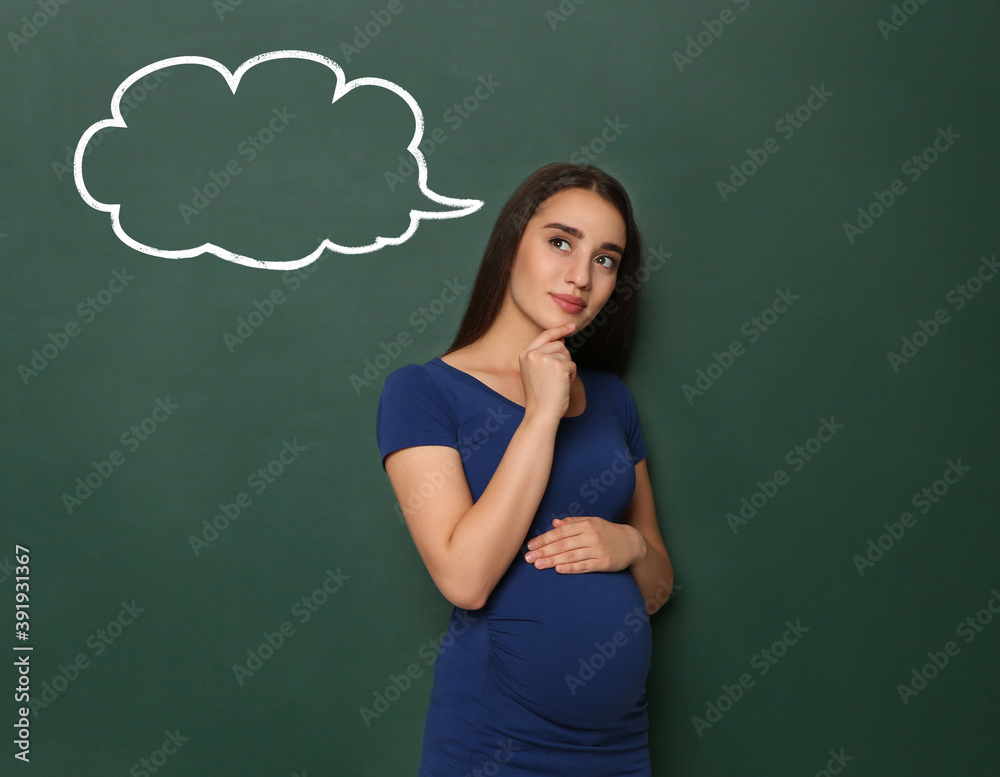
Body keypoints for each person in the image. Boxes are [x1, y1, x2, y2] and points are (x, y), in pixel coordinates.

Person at [376, 162, 674, 776]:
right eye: (561, 242)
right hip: (496, 745)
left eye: (605, 259)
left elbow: (659, 588)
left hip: (618, 747)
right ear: (513, 240)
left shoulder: (613, 400)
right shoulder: (423, 392)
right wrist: (541, 414)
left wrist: (629, 545)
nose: (580, 276)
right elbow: (465, 579)